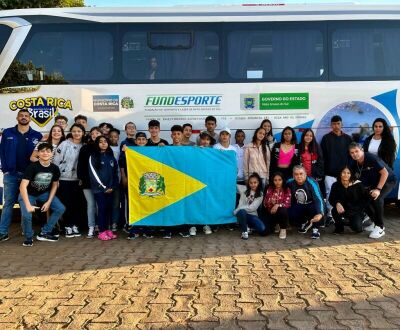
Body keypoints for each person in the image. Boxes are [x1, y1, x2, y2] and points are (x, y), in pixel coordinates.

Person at [0, 109, 42, 242]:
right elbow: (1, 152)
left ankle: (26, 230)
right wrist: (5, 169)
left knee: (26, 203)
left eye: (26, 116)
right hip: (11, 175)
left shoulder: (37, 135)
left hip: (28, 176)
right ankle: (3, 232)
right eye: (21, 116)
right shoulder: (7, 132)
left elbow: (40, 155)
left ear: (30, 118)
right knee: (8, 204)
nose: (24, 118)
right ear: (17, 117)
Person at [18, 143, 65, 246]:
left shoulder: (54, 168)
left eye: (48, 151)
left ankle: (45, 231)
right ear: (38, 153)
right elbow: (22, 187)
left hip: (44, 193)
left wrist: (48, 202)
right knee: (27, 215)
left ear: (52, 153)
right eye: (42, 151)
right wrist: (28, 204)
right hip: (28, 193)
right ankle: (29, 237)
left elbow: (54, 185)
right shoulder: (32, 167)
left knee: (60, 208)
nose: (45, 153)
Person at [349, 142, 397, 239]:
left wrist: (378, 189)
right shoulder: (354, 163)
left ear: (362, 150)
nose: (354, 154)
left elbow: (385, 173)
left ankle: (380, 227)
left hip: (388, 180)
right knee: (364, 200)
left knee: (377, 198)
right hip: (374, 183)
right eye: (352, 152)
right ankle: (375, 223)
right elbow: (355, 179)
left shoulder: (371, 158)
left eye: (356, 151)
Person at [53, 123, 85, 238]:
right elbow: (56, 162)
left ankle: (75, 225)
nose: (77, 133)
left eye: (79, 131)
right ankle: (67, 226)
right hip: (64, 179)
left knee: (76, 204)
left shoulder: (84, 146)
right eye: (74, 131)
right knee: (66, 203)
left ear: (83, 133)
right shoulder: (65, 144)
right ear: (71, 132)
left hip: (78, 180)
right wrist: (56, 179)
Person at [320, 115, 352, 221]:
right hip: (329, 173)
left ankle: (342, 213)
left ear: (341, 124)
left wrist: (349, 171)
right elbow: (322, 157)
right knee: (330, 193)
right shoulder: (326, 138)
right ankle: (330, 214)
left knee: (344, 193)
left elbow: (350, 156)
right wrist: (323, 171)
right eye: (334, 124)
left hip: (344, 174)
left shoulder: (347, 139)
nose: (336, 126)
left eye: (338, 123)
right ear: (331, 125)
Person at [89, 136, 119, 241]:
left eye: (105, 142)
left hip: (110, 189)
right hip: (99, 190)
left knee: (109, 209)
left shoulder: (111, 156)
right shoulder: (93, 156)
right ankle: (101, 231)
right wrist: (103, 187)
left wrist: (113, 186)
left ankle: (108, 230)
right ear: (97, 144)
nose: (103, 144)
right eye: (100, 142)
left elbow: (116, 172)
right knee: (102, 209)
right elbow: (93, 174)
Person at [77, 127, 102, 238]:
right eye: (92, 133)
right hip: (87, 181)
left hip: (101, 182)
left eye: (97, 133)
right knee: (91, 204)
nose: (94, 135)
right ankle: (91, 227)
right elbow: (80, 165)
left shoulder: (104, 147)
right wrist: (81, 178)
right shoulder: (85, 148)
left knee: (99, 205)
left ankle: (99, 225)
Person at [287, 165, 324, 239]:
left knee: (316, 209)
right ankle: (304, 222)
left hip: (312, 205)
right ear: (293, 175)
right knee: (290, 212)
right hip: (299, 205)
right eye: (296, 174)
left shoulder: (312, 183)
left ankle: (315, 229)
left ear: (305, 174)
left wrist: (320, 213)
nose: (299, 176)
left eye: (301, 174)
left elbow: (318, 199)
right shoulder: (289, 182)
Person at [329, 166, 367, 234]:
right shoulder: (335, 185)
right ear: (340, 173)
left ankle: (352, 222)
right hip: (342, 210)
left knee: (357, 228)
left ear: (351, 174)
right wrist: (337, 203)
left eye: (348, 173)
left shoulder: (358, 185)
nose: (346, 175)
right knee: (334, 210)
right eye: (343, 172)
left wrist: (354, 210)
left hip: (355, 210)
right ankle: (339, 228)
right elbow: (331, 198)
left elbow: (364, 200)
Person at [234, 173, 265, 240]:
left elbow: (252, 208)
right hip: (242, 214)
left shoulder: (260, 194)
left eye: (255, 182)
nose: (253, 184)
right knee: (242, 212)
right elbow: (233, 185)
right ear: (248, 183)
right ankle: (245, 232)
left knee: (262, 228)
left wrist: (238, 209)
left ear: (258, 183)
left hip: (252, 215)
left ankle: (249, 228)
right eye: (251, 183)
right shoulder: (244, 191)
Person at [263, 172, 291, 239]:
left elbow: (287, 203)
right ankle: (276, 224)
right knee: (264, 232)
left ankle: (283, 229)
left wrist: (277, 205)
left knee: (283, 210)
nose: (277, 182)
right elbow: (265, 203)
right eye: (275, 180)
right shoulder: (270, 188)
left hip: (282, 213)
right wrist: (271, 203)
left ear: (283, 180)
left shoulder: (286, 189)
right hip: (271, 212)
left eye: (279, 180)